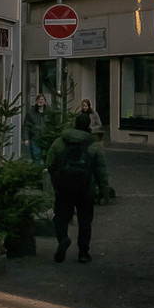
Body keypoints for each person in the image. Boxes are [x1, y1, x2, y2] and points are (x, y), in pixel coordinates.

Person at [44, 113, 110, 263]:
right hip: (85, 188)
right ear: (88, 126)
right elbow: (102, 171)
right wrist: (103, 193)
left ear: (74, 124)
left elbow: (49, 164)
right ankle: (83, 253)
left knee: (60, 217)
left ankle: (63, 239)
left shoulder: (60, 142)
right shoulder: (94, 146)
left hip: (64, 187)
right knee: (85, 221)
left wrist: (56, 182)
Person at [24, 93, 50, 161]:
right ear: (36, 101)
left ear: (45, 101)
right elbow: (26, 126)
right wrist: (26, 138)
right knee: (36, 156)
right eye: (38, 99)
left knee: (46, 157)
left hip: (46, 139)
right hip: (34, 138)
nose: (40, 101)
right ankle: (36, 171)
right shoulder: (31, 113)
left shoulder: (49, 112)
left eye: (42, 99)